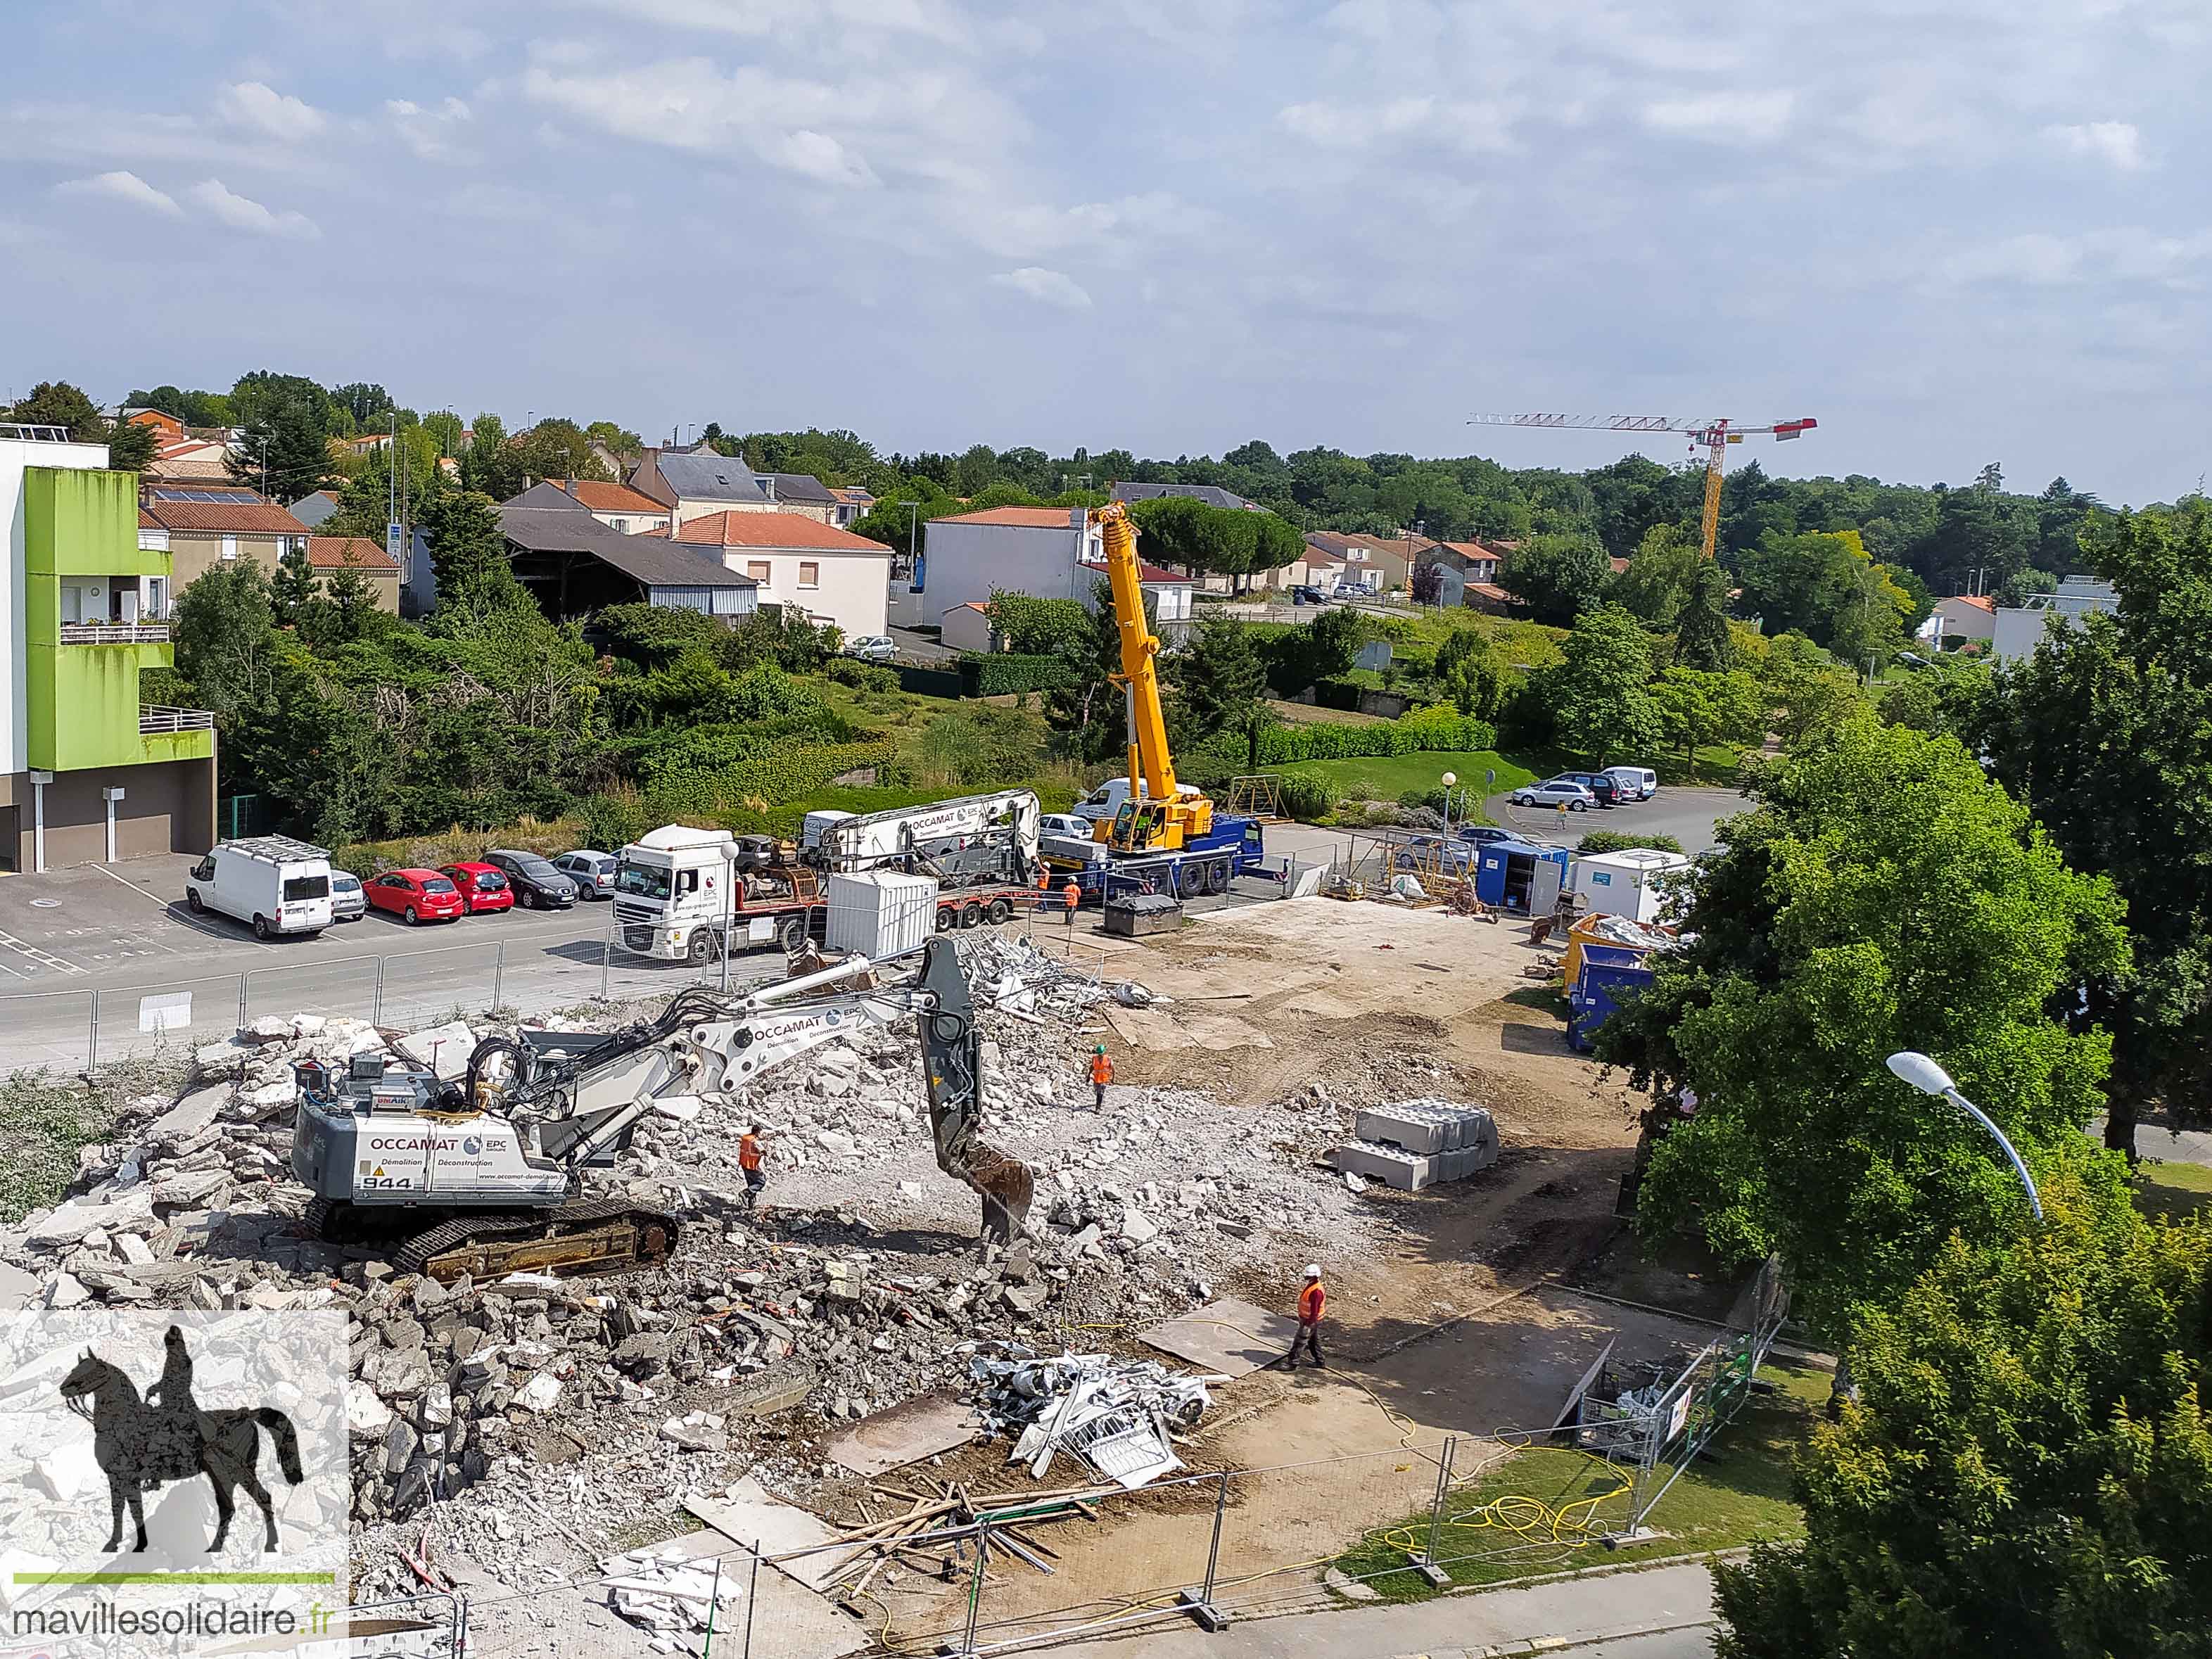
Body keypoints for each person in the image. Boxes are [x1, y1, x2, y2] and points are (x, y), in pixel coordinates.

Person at [1285, 1264, 1326, 1370]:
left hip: (1311, 1321)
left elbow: (1314, 1311)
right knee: (1313, 1341)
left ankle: (1292, 1364)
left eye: (1307, 1275)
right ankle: (1320, 1361)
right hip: (1312, 1320)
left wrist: (1308, 1325)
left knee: (1300, 1341)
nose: (1305, 1277)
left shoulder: (1316, 1291)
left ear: (1312, 1276)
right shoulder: (1313, 1285)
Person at [738, 1123, 768, 1213]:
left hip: (744, 1165)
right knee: (761, 1182)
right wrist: (764, 1152)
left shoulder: (745, 1138)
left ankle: (751, 1207)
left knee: (752, 1184)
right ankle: (745, 1193)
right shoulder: (754, 1141)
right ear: (757, 1133)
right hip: (751, 1165)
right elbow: (762, 1151)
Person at [1088, 1044, 1113, 1111]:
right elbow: (1092, 1067)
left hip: (1104, 1078)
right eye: (1099, 1054)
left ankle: (1098, 1107)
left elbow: (1113, 1069)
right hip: (1096, 1079)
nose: (1100, 1056)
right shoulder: (1094, 1058)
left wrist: (1112, 1079)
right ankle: (1098, 1104)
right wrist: (1088, 1076)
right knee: (1097, 1091)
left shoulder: (1108, 1059)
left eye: (1101, 1054)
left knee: (1100, 1093)